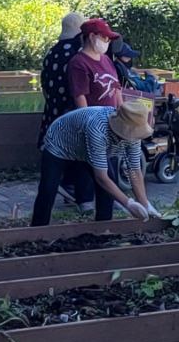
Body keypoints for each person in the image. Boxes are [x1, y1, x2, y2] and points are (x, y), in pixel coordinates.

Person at [31, 101, 160, 227]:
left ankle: (103, 229)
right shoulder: (98, 128)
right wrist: (128, 203)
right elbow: (101, 178)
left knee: (110, 186)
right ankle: (37, 230)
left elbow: (134, 170)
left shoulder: (134, 132)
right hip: (60, 141)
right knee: (48, 188)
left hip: (85, 147)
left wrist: (145, 204)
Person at [110, 37, 179, 173]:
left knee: (172, 112)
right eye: (129, 57)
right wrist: (151, 77)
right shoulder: (122, 70)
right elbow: (143, 88)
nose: (131, 60)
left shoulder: (119, 68)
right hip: (137, 108)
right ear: (123, 57)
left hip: (132, 105)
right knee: (173, 115)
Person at [39, 12, 89, 207]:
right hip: (72, 109)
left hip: (53, 110)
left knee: (56, 151)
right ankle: (77, 191)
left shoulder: (51, 52)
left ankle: (64, 185)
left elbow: (44, 84)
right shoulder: (77, 53)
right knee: (78, 151)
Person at [68, 18, 123, 109]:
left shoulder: (106, 59)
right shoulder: (79, 63)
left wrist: (123, 114)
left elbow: (116, 88)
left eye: (109, 39)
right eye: (104, 37)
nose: (107, 41)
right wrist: (88, 121)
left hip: (112, 119)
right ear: (92, 36)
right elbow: (80, 97)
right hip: (94, 120)